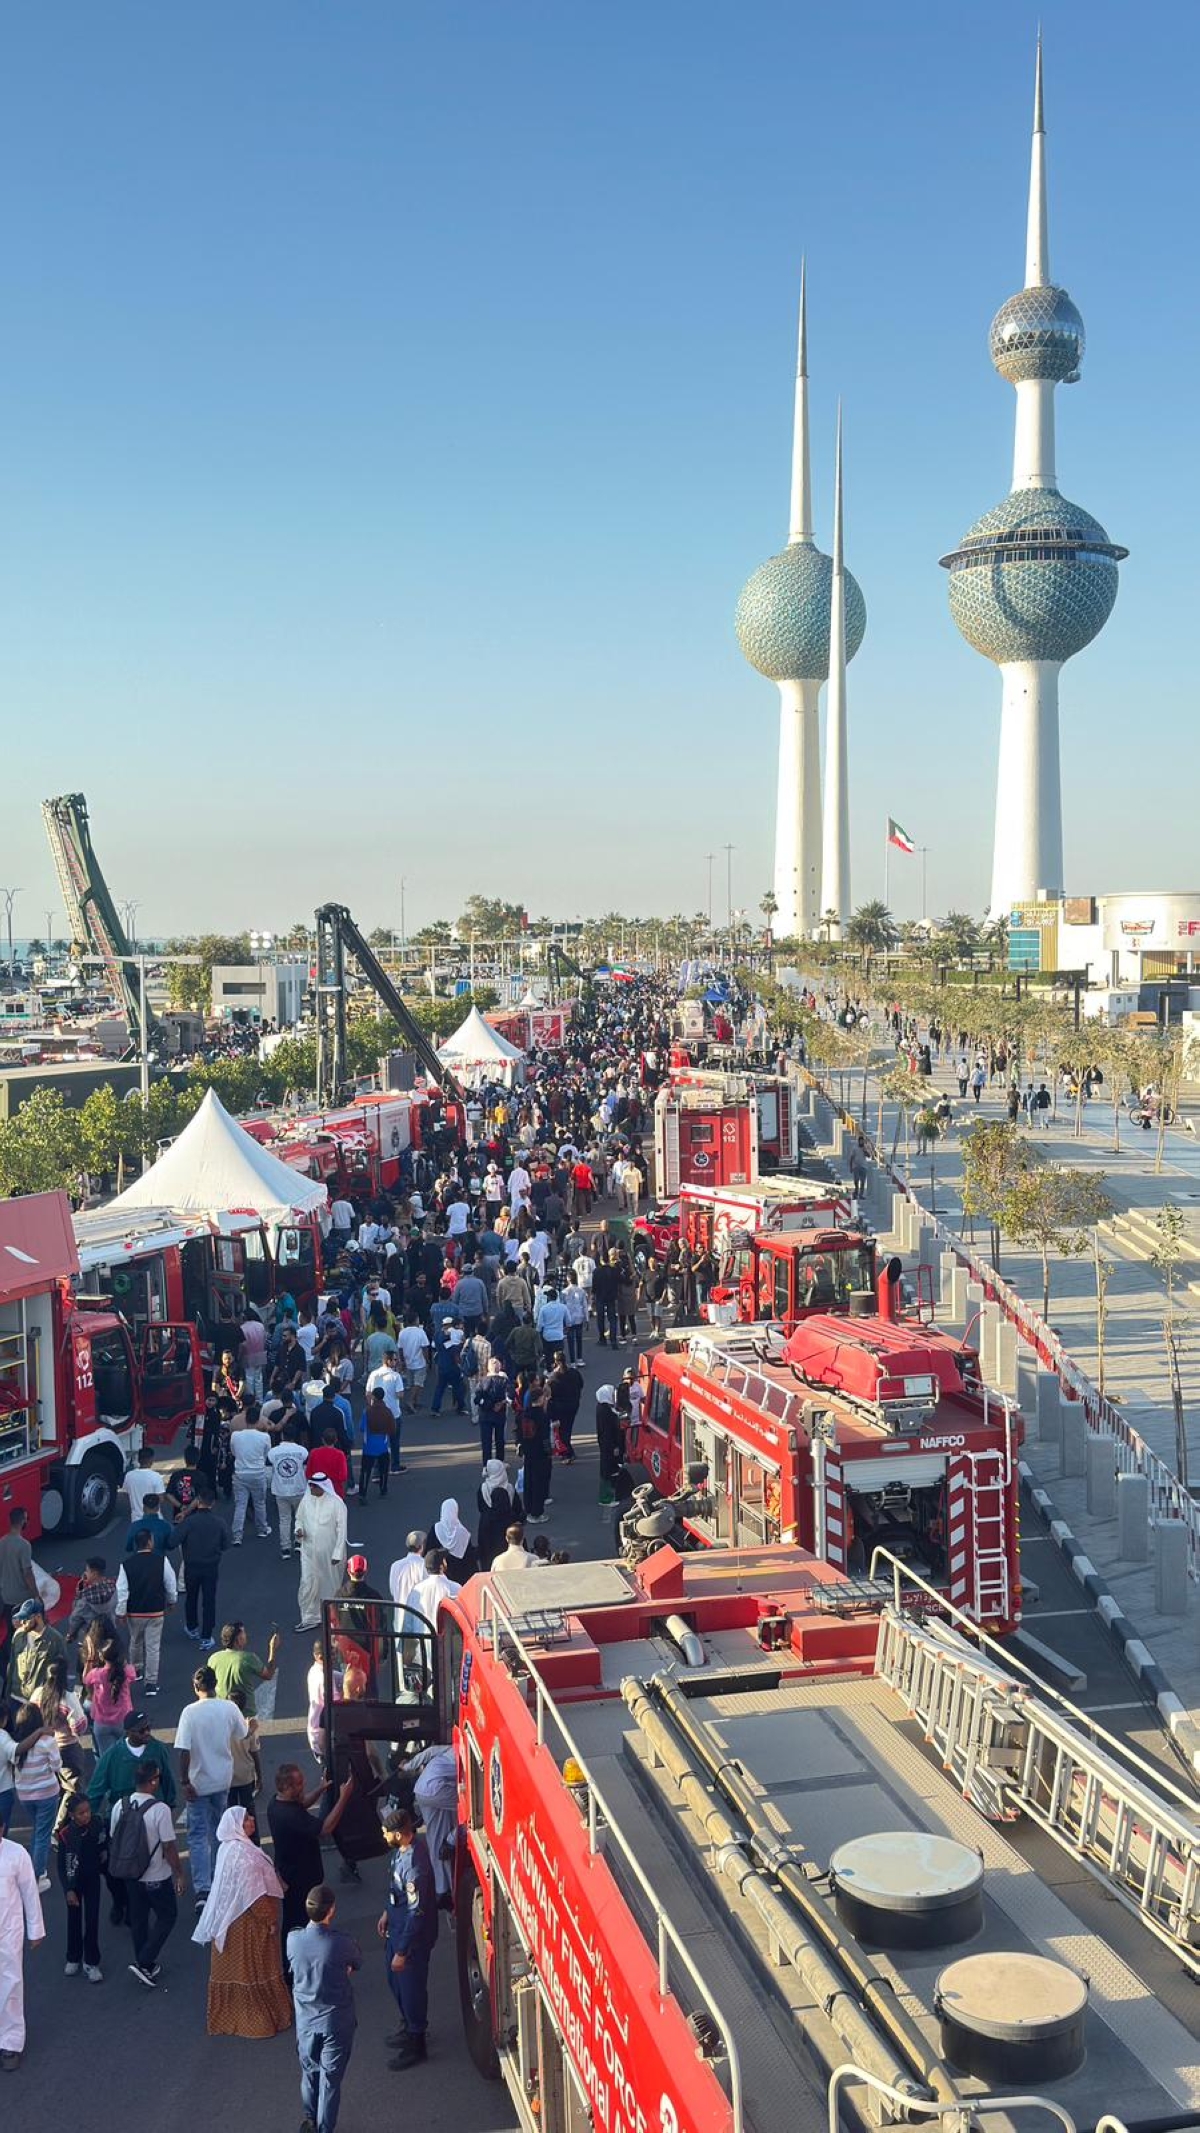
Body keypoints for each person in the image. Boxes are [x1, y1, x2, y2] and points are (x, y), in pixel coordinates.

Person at [192, 1805, 291, 2037]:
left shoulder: (228, 1848)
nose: (252, 1820)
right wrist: (270, 1920)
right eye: (246, 1819)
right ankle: (260, 2021)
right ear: (236, 1825)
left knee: (239, 1971)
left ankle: (231, 2018)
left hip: (230, 1922)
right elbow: (253, 1895)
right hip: (249, 1925)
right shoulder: (245, 1856)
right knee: (254, 1970)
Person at [288, 1884, 361, 2133]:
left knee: (310, 2071)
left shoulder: (293, 1940)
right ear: (331, 1911)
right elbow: (356, 1961)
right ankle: (324, 2129)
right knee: (330, 2080)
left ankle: (310, 2119)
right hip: (335, 2022)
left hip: (306, 2022)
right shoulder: (340, 1943)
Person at [176, 1664, 249, 1904]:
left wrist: (184, 1780)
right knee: (220, 1830)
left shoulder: (189, 1712)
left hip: (198, 1783)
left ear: (195, 1687)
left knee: (197, 1835)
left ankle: (203, 1889)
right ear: (215, 1684)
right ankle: (221, 1879)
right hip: (223, 1778)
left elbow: (184, 1750)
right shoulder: (229, 1707)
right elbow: (243, 1734)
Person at [109, 1758, 184, 1987]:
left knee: (139, 1919)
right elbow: (168, 1846)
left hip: (131, 1873)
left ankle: (146, 1966)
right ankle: (144, 1961)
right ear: (152, 1781)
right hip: (156, 1875)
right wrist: (179, 1873)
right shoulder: (160, 1810)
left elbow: (114, 1837)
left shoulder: (120, 1805)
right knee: (167, 1915)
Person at [379, 1807, 438, 2069]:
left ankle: (417, 2042)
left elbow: (417, 1912)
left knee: (412, 1990)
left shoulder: (415, 1866)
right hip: (396, 1928)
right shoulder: (400, 1853)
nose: (383, 1837)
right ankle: (408, 2025)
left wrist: (402, 1951)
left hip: (411, 1940)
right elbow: (397, 1890)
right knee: (396, 1984)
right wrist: (386, 1912)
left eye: (386, 1833)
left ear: (399, 1834)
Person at [268, 1765, 355, 1943]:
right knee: (301, 1921)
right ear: (286, 1787)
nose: (303, 1786)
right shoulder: (291, 1815)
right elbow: (325, 1828)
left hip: (288, 1872)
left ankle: (291, 1953)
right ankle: (298, 1955)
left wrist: (321, 1789)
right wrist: (344, 1797)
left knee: (292, 1919)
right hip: (301, 1879)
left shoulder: (276, 1803)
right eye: (299, 1784)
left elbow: (301, 1804)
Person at [0, 1809, 43, 2068]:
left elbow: (29, 1892)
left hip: (9, 1930)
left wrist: (35, 1929)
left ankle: (11, 2042)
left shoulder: (16, 1854)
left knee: (11, 1983)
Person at [114, 1529, 176, 1696]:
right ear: (149, 1542)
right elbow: (170, 1584)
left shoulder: (126, 1565)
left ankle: (136, 1670)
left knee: (135, 1641)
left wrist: (121, 1612)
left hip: (134, 1612)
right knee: (153, 1647)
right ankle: (151, 1683)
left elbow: (122, 1591)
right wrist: (172, 1601)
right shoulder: (161, 1561)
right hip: (155, 1611)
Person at [57, 1792, 106, 1982]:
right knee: (74, 1919)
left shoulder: (97, 1825)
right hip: (74, 1882)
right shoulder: (66, 1835)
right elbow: (62, 1866)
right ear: (71, 1815)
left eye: (88, 1811)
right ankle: (73, 1957)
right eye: (81, 1813)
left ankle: (92, 1962)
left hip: (92, 1880)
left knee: (92, 1920)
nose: (86, 1816)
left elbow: (104, 1847)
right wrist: (68, 1889)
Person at [176, 1487, 230, 1650]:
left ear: (198, 1501)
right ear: (212, 1503)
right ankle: (206, 1637)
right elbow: (225, 1545)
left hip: (191, 1566)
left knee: (191, 1597)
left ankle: (192, 1627)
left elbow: (173, 1541)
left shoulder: (189, 1522)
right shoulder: (219, 1522)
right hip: (210, 1567)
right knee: (209, 1600)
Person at [12, 1707, 60, 1889]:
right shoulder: (47, 1741)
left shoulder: (16, 1743)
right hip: (46, 1793)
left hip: (24, 1794)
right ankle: (37, 1876)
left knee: (38, 1830)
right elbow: (56, 1766)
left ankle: (33, 1867)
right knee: (43, 1834)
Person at [295, 1477, 348, 1634]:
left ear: (322, 1487)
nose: (311, 1488)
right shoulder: (306, 1501)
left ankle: (332, 1618)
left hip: (330, 1555)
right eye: (310, 1485)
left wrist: (338, 1553)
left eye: (314, 1486)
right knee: (307, 1584)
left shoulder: (337, 1503)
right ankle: (309, 1618)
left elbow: (342, 1530)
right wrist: (298, 1530)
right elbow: (299, 1519)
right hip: (308, 1552)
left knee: (330, 1586)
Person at [409, 1746, 457, 1905]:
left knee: (435, 1836)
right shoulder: (462, 1753)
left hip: (421, 1789)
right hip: (437, 1789)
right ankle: (447, 1889)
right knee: (472, 1807)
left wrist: (408, 1766)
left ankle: (441, 1889)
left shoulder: (449, 1749)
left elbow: (429, 1752)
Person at [209, 1620, 281, 1717]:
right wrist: (273, 1649)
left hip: (222, 1711)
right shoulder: (247, 1658)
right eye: (244, 1633)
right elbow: (268, 1675)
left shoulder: (213, 1658)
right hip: (245, 1712)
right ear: (238, 1640)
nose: (246, 1636)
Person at [83, 1633, 138, 1759]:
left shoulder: (96, 1674)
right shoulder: (127, 1671)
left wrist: (90, 1660)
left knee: (107, 1759)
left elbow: (85, 1679)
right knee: (126, 1756)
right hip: (124, 1721)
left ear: (102, 1656)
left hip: (102, 1723)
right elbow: (133, 1675)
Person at [8, 1596, 66, 1705]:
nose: (22, 1622)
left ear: (38, 1617)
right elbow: (11, 1666)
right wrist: (7, 1695)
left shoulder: (55, 1640)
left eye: (26, 1619)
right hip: (15, 1698)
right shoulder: (18, 1635)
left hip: (38, 1702)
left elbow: (61, 1674)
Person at [230, 1407, 273, 1544]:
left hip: (240, 1473)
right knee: (259, 1503)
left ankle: (237, 1535)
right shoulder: (265, 1437)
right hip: (258, 1472)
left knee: (240, 1505)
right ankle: (262, 1529)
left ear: (246, 1419)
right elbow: (266, 1453)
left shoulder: (235, 1436)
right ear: (258, 1419)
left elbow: (233, 1452)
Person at [267, 1424, 309, 1559]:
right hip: (299, 1489)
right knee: (300, 1518)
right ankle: (299, 1542)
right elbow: (306, 1469)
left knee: (284, 1519)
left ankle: (285, 1548)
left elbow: (268, 1472)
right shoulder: (303, 1451)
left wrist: (270, 1486)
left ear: (282, 1435)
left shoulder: (273, 1452)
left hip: (280, 1490)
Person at [0, 1512, 38, 1652]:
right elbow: (27, 1573)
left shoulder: (2, 1542)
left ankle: (7, 1657)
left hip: (6, 1596)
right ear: (23, 1521)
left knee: (11, 1630)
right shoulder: (24, 1545)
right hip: (21, 1597)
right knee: (27, 1631)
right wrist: (36, 1595)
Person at [423, 1500, 477, 1584]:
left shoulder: (436, 1529)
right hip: (460, 1577)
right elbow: (470, 1560)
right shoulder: (463, 1533)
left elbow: (428, 1552)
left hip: (440, 1576)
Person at [476, 1462, 515, 1571]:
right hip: (507, 1526)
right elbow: (516, 1507)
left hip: (488, 1527)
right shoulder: (509, 1488)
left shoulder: (483, 1488)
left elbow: (480, 1507)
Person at [357, 1390, 394, 1502]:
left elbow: (361, 1428)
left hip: (369, 1446)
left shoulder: (367, 1411)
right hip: (383, 1446)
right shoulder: (387, 1411)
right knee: (384, 1469)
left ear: (373, 1397)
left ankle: (363, 1493)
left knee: (365, 1471)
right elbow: (392, 1428)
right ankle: (383, 1489)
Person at [475, 1357, 509, 1464]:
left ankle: (486, 1465)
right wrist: (501, 1403)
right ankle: (500, 1462)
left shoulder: (482, 1381)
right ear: (499, 1368)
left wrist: (486, 1405)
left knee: (486, 1441)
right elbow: (510, 1396)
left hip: (485, 1415)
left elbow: (477, 1399)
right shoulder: (504, 1381)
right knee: (500, 1440)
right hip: (499, 1415)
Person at [121, 1447, 163, 1524]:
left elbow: (126, 1494)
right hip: (155, 1519)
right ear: (151, 1460)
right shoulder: (156, 1476)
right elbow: (161, 1499)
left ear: (138, 1460)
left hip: (136, 1519)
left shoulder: (129, 1475)